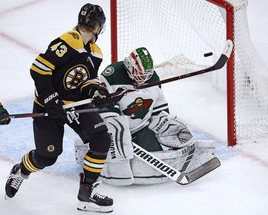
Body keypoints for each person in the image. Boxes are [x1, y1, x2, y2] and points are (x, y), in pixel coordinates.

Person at [5, 4, 122, 213]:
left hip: (75, 106)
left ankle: (87, 193)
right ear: (98, 26)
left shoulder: (95, 53)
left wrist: (97, 93)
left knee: (101, 139)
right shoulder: (69, 40)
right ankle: (20, 171)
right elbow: (39, 69)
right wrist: (50, 99)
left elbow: (87, 83)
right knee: (47, 157)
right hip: (49, 108)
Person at [75, 47, 216, 185]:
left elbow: (158, 108)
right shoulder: (112, 74)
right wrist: (120, 136)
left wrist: (164, 123)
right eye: (140, 74)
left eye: (146, 75)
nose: (143, 79)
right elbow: (106, 109)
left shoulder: (153, 78)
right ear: (129, 67)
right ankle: (106, 160)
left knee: (155, 157)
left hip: (141, 129)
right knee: (114, 133)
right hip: (116, 128)